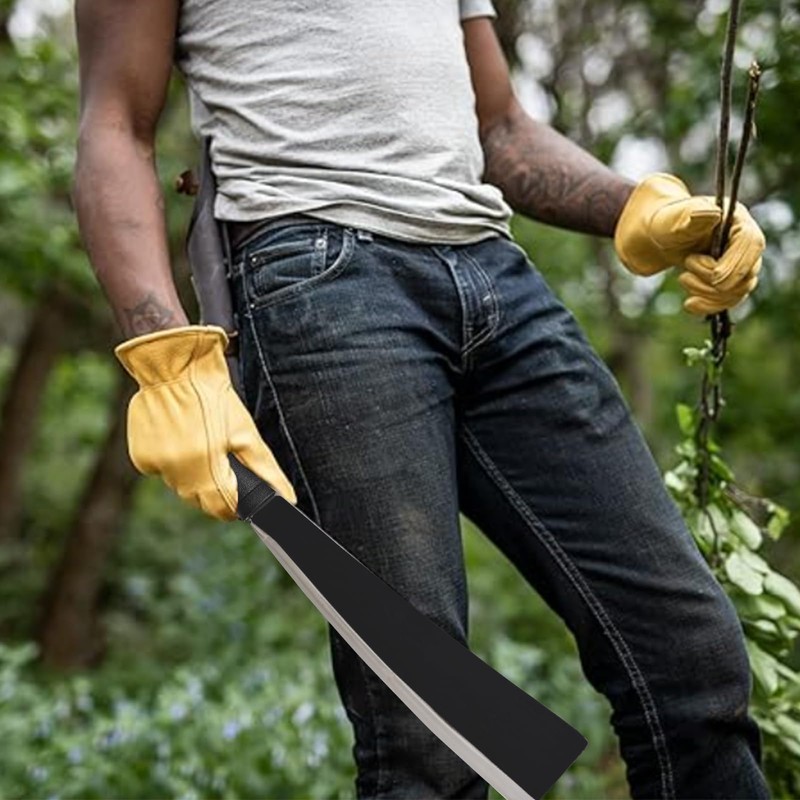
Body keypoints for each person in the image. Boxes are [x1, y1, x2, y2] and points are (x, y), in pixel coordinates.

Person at [72, 1, 769, 798]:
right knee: (431, 731)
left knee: (691, 658)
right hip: (321, 282)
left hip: (495, 273)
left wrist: (642, 206)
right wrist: (164, 355)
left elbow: (499, 127)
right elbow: (114, 126)